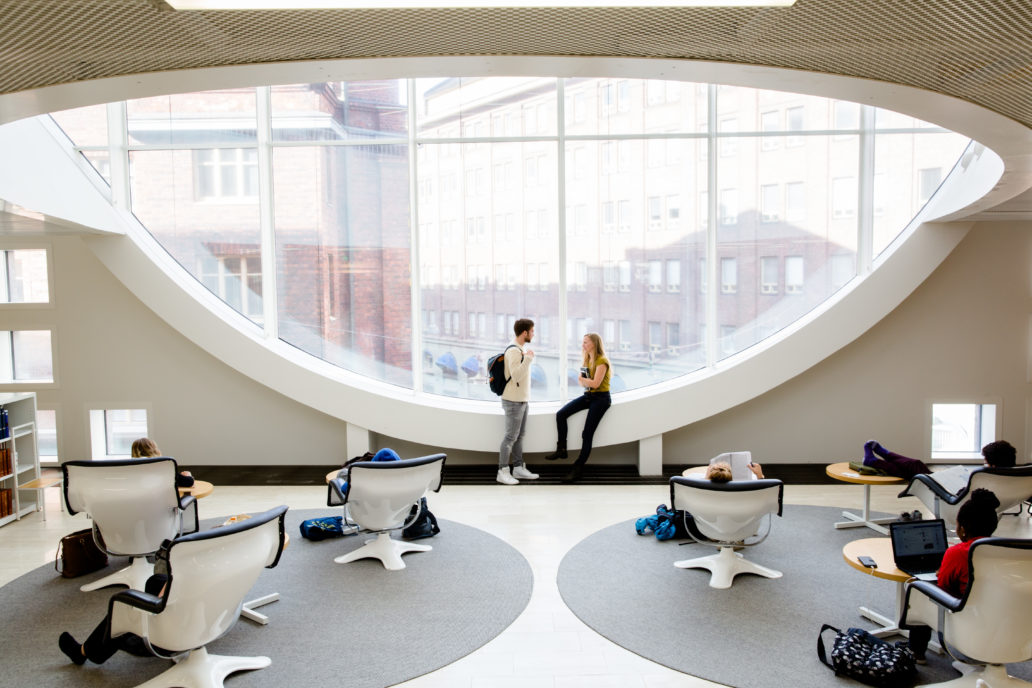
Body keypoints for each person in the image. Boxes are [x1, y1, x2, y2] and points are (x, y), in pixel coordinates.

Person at [903, 488, 1001, 663]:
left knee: (921, 589)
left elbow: (944, 587)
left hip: (973, 624)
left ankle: (916, 651)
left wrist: (942, 572)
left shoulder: (958, 553)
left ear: (962, 528)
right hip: (1012, 624)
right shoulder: (1010, 550)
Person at [544, 333, 612, 483]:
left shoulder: (602, 361)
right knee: (561, 414)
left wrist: (584, 380)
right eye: (583, 342)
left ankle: (577, 468)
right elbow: (583, 383)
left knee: (587, 434)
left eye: (586, 342)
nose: (583, 345)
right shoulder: (587, 359)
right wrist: (584, 380)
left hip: (601, 399)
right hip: (589, 396)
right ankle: (561, 449)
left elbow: (595, 383)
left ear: (594, 343)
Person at [59, 571, 168, 665]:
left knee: (123, 605)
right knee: (155, 581)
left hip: (176, 631)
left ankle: (87, 651)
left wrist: (158, 603)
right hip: (184, 619)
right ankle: (144, 624)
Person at [497, 318, 539, 485]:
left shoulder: (521, 348)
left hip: (521, 400)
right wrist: (528, 359)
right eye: (532, 331)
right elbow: (516, 375)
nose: (533, 334)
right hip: (513, 401)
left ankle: (518, 468)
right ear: (524, 333)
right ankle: (502, 471)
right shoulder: (514, 351)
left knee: (519, 436)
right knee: (510, 437)